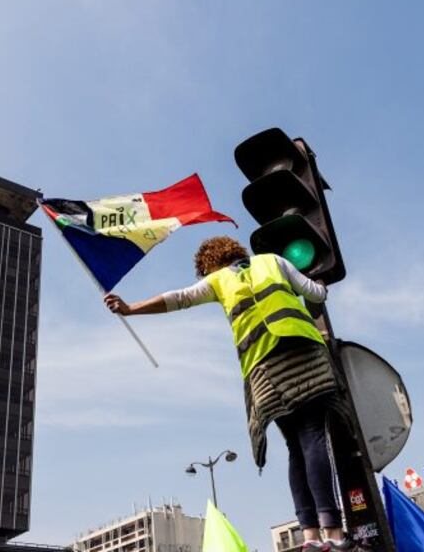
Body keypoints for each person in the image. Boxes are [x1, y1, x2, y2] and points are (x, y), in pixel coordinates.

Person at [104, 236, 351, 551]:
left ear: (208, 265)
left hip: (263, 369)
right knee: (315, 437)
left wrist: (129, 309)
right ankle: (334, 532)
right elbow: (316, 293)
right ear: (236, 251)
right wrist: (319, 284)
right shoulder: (273, 261)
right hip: (304, 353)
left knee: (294, 448)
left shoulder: (217, 280)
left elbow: (178, 298)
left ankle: (310, 536)